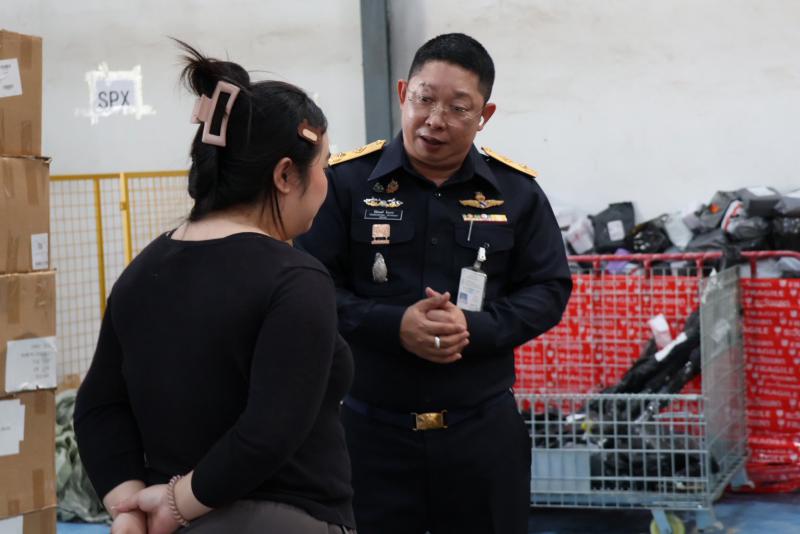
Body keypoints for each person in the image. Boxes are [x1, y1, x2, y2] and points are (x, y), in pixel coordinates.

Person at [296, 33, 572, 534]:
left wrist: (476, 328)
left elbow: (549, 288)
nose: (435, 119)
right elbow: (310, 286)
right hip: (368, 435)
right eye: (424, 99)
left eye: (458, 108)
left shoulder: (516, 193)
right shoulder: (346, 184)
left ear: (484, 115)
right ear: (404, 93)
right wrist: (392, 325)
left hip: (482, 437)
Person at [74, 42, 356, 534]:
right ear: (285, 175)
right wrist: (177, 503)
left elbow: (98, 406)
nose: (327, 183)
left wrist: (129, 504)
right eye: (324, 166)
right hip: (277, 520)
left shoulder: (142, 270)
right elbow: (269, 431)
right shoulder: (295, 279)